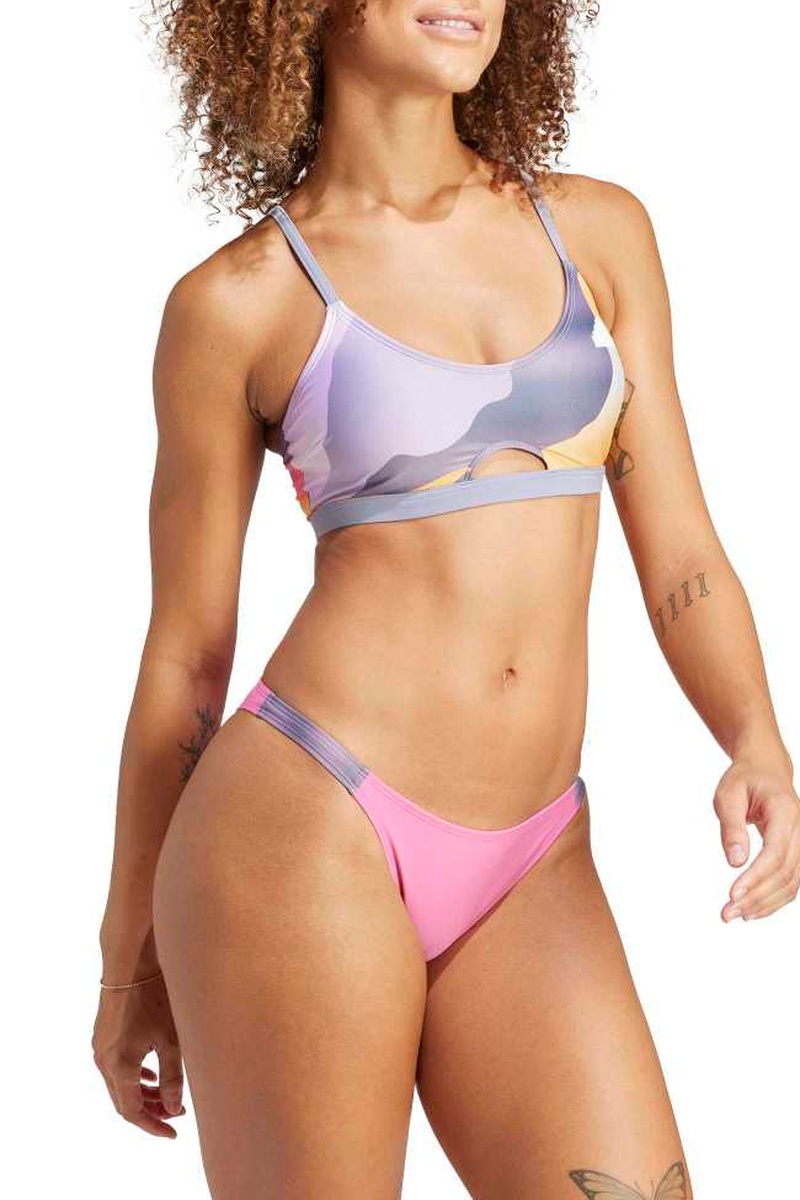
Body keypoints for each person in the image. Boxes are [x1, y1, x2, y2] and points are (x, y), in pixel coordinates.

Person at [91, 2, 799, 1197]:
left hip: (535, 851)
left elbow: (678, 539)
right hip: (307, 829)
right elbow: (184, 658)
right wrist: (129, 960)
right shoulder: (241, 300)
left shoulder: (596, 233)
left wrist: (753, 735)